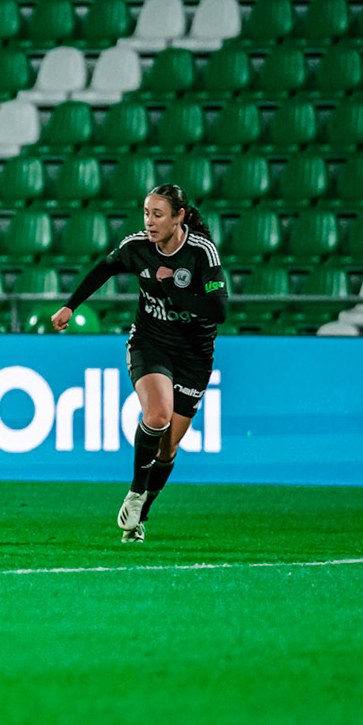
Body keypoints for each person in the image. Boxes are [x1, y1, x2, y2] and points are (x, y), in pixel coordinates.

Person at [52, 184, 229, 542]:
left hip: (194, 354)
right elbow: (103, 270)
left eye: (158, 215)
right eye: (147, 213)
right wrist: (71, 305)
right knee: (157, 415)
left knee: (168, 448)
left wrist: (174, 290)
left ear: (179, 217)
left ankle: (140, 516)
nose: (149, 221)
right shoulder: (137, 247)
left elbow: (218, 310)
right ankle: (135, 492)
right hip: (151, 343)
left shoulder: (201, 252)